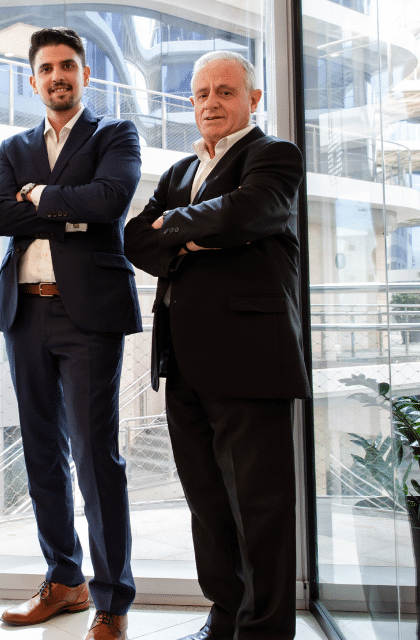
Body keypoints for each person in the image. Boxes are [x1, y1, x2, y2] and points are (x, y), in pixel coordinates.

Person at [124, 51, 310, 640]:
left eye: (225, 91)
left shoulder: (273, 156)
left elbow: (249, 210)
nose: (211, 103)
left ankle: (265, 630)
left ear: (253, 100)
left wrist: (176, 229)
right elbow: (135, 239)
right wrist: (199, 232)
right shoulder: (180, 171)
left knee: (260, 509)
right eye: (201, 93)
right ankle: (225, 617)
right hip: (183, 361)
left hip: (250, 361)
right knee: (207, 504)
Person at [0, 27, 142, 640]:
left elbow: (110, 200)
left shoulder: (115, 134)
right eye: (47, 68)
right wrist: (67, 209)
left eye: (68, 66)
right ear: (33, 80)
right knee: (40, 452)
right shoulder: (13, 144)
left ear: (85, 75)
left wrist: (44, 196)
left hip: (89, 316)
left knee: (95, 455)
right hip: (25, 313)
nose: (58, 76)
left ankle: (112, 599)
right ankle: (64, 579)